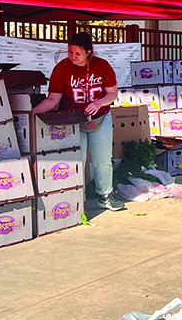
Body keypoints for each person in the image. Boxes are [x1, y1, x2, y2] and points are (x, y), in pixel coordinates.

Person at [33, 32, 124, 211]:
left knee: (103, 159)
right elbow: (53, 99)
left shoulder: (102, 66)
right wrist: (31, 113)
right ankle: (76, 198)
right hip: (72, 120)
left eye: (77, 54)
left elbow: (112, 93)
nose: (72, 57)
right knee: (76, 160)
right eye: (70, 52)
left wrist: (99, 102)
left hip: (100, 118)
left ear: (88, 52)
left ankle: (105, 195)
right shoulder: (62, 68)